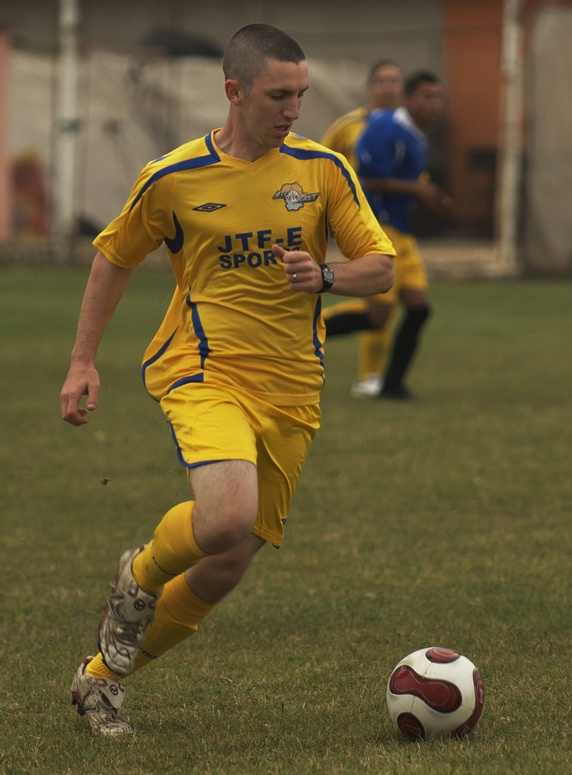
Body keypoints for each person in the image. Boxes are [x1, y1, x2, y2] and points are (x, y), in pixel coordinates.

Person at [59, 23, 395, 735]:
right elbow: (113, 257)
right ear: (234, 91)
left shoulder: (323, 169)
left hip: (294, 389)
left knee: (224, 564)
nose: (292, 111)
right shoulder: (173, 177)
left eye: (301, 96)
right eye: (278, 95)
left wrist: (328, 274)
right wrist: (82, 360)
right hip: (203, 371)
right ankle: (139, 576)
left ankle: (102, 679)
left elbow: (382, 265)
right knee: (224, 517)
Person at [322, 69, 452, 400]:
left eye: (438, 97)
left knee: (417, 309)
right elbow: (366, 178)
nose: (434, 104)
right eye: (427, 96)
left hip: (401, 234)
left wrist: (427, 193)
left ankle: (391, 386)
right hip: (380, 230)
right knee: (379, 316)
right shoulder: (383, 128)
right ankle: (306, 328)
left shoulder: (414, 135)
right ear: (408, 99)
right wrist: (420, 191)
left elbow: (405, 180)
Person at [319, 60, 405, 397]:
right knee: (383, 299)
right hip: (358, 223)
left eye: (394, 80)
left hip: (397, 227)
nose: (387, 87)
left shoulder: (407, 129)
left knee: (393, 304)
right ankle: (371, 377)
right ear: (370, 88)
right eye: (381, 80)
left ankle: (375, 376)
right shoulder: (349, 126)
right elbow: (322, 165)